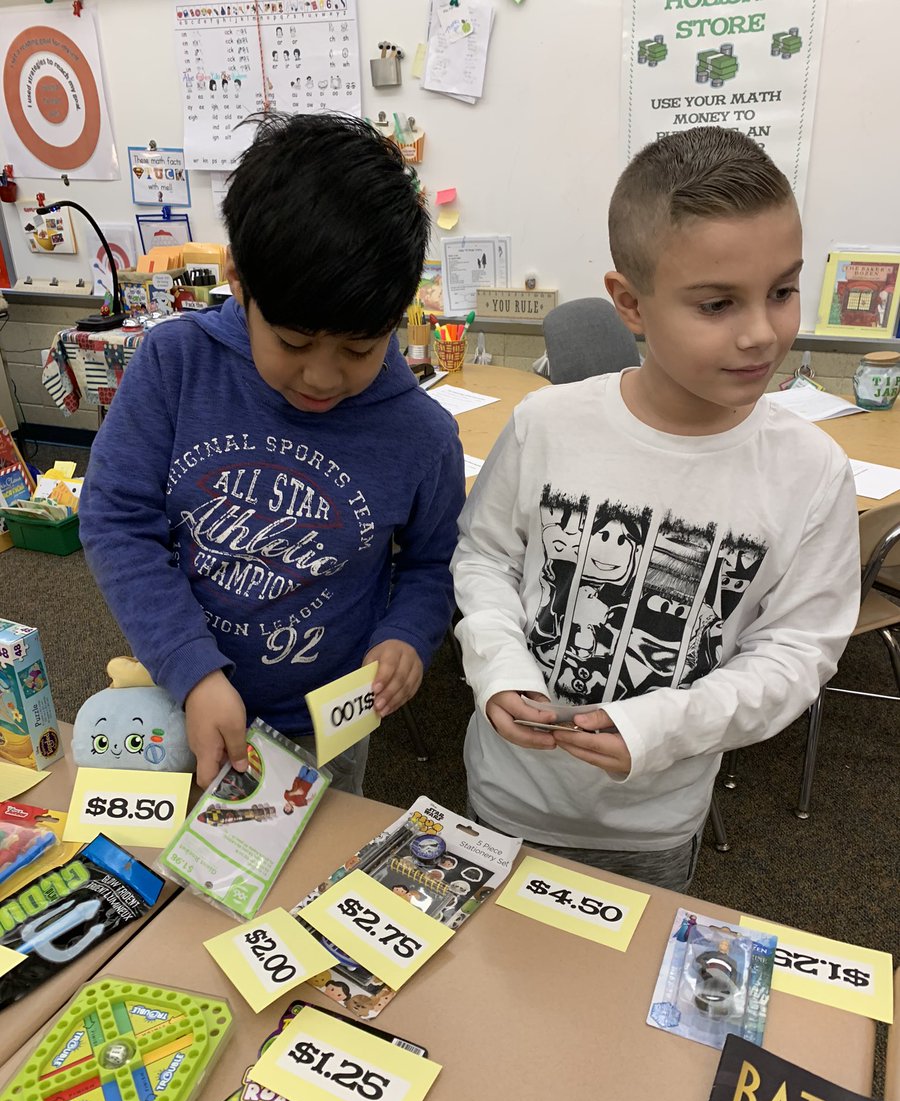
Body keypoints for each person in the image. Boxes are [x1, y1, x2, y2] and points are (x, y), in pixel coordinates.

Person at [452, 128, 860, 892]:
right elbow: (484, 560)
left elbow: (798, 652)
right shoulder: (547, 425)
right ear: (630, 304)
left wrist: (661, 727)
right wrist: (500, 670)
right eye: (717, 304)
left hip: (655, 817)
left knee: (622, 992)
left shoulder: (811, 472)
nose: (762, 332)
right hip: (509, 791)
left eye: (782, 290)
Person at [80, 112, 465, 793]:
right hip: (178, 699)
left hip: (326, 729)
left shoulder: (422, 434)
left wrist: (408, 633)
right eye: (291, 342)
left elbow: (433, 561)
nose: (322, 377)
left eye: (359, 349)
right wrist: (194, 672)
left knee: (302, 882)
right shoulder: (175, 366)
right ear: (239, 283)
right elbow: (116, 522)